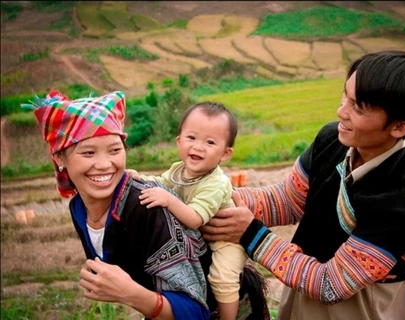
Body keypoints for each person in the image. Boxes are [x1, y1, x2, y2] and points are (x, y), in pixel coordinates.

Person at [201, 50, 405, 320]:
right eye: (345, 97)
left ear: (399, 127)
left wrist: (251, 235)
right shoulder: (333, 139)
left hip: (359, 306)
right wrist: (215, 196)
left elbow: (330, 284)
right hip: (302, 279)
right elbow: (288, 201)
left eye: (358, 108)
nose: (342, 112)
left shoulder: (404, 203)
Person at [22, 91, 268, 320]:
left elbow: (195, 309)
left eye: (114, 150)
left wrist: (132, 294)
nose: (104, 164)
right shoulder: (78, 207)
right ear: (59, 157)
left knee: (223, 279)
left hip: (220, 300)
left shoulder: (149, 207)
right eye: (88, 153)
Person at [134, 102, 248, 320]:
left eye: (210, 142)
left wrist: (168, 200)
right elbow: (161, 182)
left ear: (225, 153)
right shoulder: (179, 170)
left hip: (226, 241)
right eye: (191, 138)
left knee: (222, 278)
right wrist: (140, 179)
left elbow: (195, 218)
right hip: (200, 240)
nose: (198, 147)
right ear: (179, 141)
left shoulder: (216, 183)